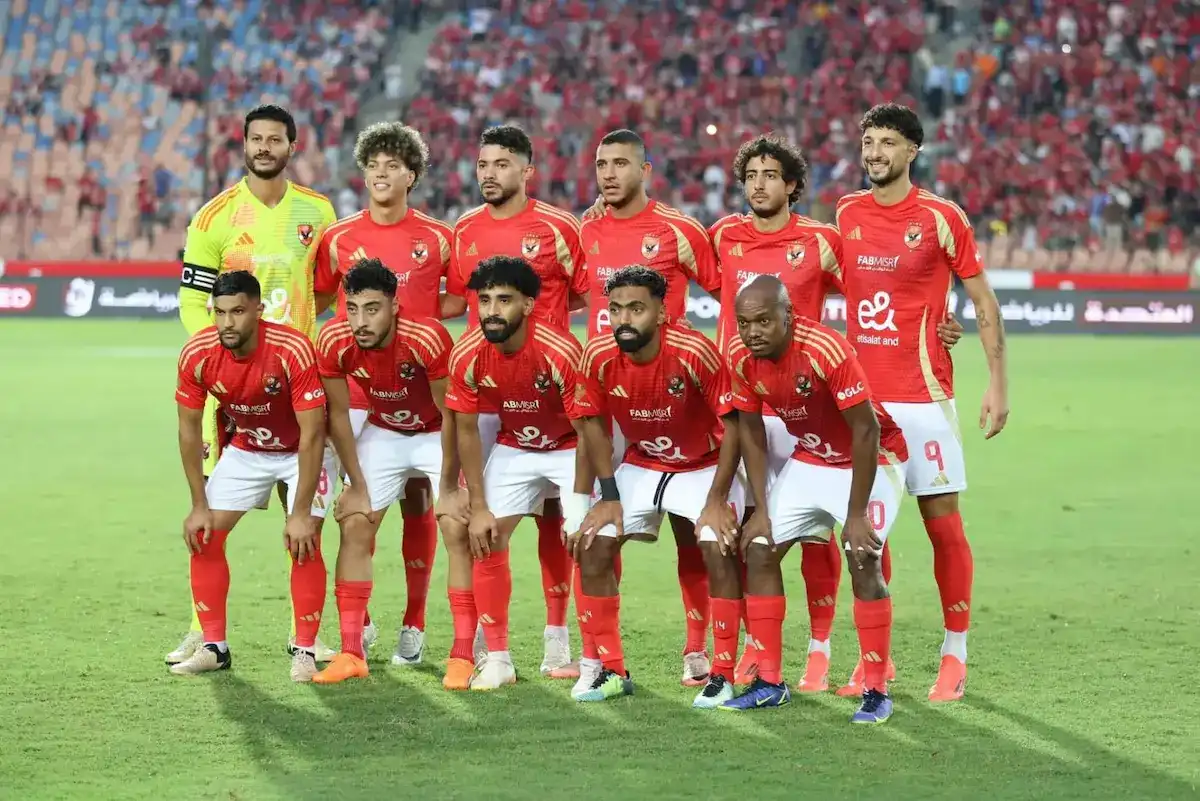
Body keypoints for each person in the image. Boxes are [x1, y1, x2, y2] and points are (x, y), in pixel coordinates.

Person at [710, 133, 963, 692]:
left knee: (821, 536)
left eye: (770, 175)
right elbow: (681, 284)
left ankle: (821, 649)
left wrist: (940, 323)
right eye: (751, 175)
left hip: (808, 404)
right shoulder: (723, 235)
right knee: (753, 535)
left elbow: (881, 289)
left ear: (792, 184)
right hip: (748, 401)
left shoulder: (822, 239)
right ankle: (756, 652)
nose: (759, 185)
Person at [838, 103, 1009, 702]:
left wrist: (997, 383)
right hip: (865, 407)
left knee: (943, 527)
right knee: (866, 536)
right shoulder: (846, 213)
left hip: (925, 400)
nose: (875, 152)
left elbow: (983, 300)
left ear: (912, 151)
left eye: (887, 142)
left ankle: (954, 654)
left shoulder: (941, 217)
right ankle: (875, 661)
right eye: (868, 141)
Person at [169, 104, 337, 666]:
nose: (265, 147)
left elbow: (326, 290)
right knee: (209, 518)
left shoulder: (318, 211)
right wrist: (228, 359)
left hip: (301, 383)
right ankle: (203, 630)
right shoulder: (214, 217)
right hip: (235, 391)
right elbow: (193, 302)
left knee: (304, 517)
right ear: (244, 144)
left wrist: (291, 346)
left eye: (275, 139)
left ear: (292, 145)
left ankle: (305, 636)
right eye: (256, 139)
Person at [723, 276, 908, 724]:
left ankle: (876, 689)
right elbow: (751, 430)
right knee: (759, 548)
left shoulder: (825, 349)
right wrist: (760, 509)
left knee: (862, 556)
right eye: (744, 323)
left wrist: (856, 514)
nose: (752, 332)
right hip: (812, 458)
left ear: (789, 315)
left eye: (763, 321)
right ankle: (770, 684)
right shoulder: (740, 358)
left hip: (872, 459)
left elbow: (867, 429)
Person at [313, 121, 464, 667]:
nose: (380, 173)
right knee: (354, 511)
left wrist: (415, 320)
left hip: (424, 389)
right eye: (372, 165)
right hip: (359, 397)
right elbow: (321, 298)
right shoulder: (339, 238)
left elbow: (460, 299)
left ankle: (415, 622)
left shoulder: (438, 237)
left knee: (421, 505)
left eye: (392, 165)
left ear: (411, 175)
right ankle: (359, 624)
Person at [578, 129, 724, 687]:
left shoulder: (678, 229)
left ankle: (697, 649)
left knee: (693, 534)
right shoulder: (586, 228)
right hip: (607, 391)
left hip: (673, 391)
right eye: (601, 164)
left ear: (645, 170)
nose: (609, 174)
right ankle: (598, 658)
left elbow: (727, 291)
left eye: (621, 163)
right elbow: (559, 293)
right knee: (599, 524)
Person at [447, 125, 589, 680]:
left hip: (555, 394)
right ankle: (489, 645)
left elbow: (583, 292)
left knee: (560, 525)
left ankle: (559, 640)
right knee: (478, 523)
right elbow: (460, 298)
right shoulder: (465, 229)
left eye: (502, 164)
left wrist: (544, 339)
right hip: (490, 401)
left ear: (527, 171)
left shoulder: (558, 226)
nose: (489, 173)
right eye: (483, 164)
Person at [569, 266, 745, 705]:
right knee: (592, 544)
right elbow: (592, 426)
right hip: (643, 462)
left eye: (636, 309)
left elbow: (735, 426)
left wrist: (716, 499)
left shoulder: (694, 351)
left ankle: (722, 673)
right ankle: (612, 670)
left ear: (662, 313)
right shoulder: (597, 355)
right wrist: (608, 496)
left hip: (703, 465)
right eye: (615, 310)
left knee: (716, 544)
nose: (624, 319)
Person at [170, 271, 332, 682]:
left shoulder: (291, 349)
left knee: (304, 539)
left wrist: (299, 513)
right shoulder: (198, 353)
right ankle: (214, 647)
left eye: (238, 312)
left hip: (302, 451)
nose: (228, 322)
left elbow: (313, 433)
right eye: (220, 312)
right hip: (250, 447)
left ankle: (305, 649)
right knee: (204, 534)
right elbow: (188, 430)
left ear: (258, 311)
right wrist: (198, 505)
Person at [310, 259, 456, 684]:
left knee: (458, 523)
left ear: (394, 306)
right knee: (354, 521)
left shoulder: (427, 337)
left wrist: (453, 485)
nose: (360, 321)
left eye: (372, 309)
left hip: (435, 432)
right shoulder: (334, 338)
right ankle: (352, 652)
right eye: (353, 309)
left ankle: (465, 648)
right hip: (384, 430)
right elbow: (339, 415)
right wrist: (355, 484)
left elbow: (453, 415)